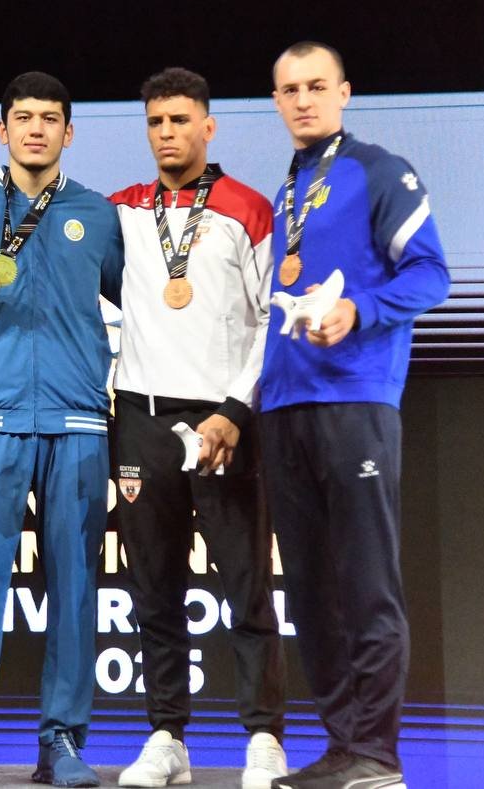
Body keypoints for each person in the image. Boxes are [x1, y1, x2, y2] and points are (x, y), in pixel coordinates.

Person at [0, 71, 123, 789]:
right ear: (2, 129)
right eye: (24, 117)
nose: (36, 128)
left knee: (75, 586)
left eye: (50, 118)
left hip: (78, 419)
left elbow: (138, 308)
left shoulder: (99, 214)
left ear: (69, 131)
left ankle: (62, 742)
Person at [259, 42, 450, 789]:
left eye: (316, 86)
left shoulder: (379, 170)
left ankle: (377, 752)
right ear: (276, 101)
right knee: (310, 592)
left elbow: (431, 273)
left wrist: (358, 309)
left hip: (355, 400)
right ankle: (343, 745)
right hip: (285, 405)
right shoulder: (289, 187)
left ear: (344, 92)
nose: (303, 100)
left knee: (366, 583)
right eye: (289, 90)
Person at [107, 68, 287, 789]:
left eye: (179, 120)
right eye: (155, 121)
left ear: (208, 126)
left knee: (245, 584)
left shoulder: (248, 208)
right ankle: (166, 736)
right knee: (153, 587)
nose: (166, 133)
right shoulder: (122, 209)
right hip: (141, 418)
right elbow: (46, 216)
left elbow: (275, 316)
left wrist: (236, 410)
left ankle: (264, 737)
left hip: (221, 422)